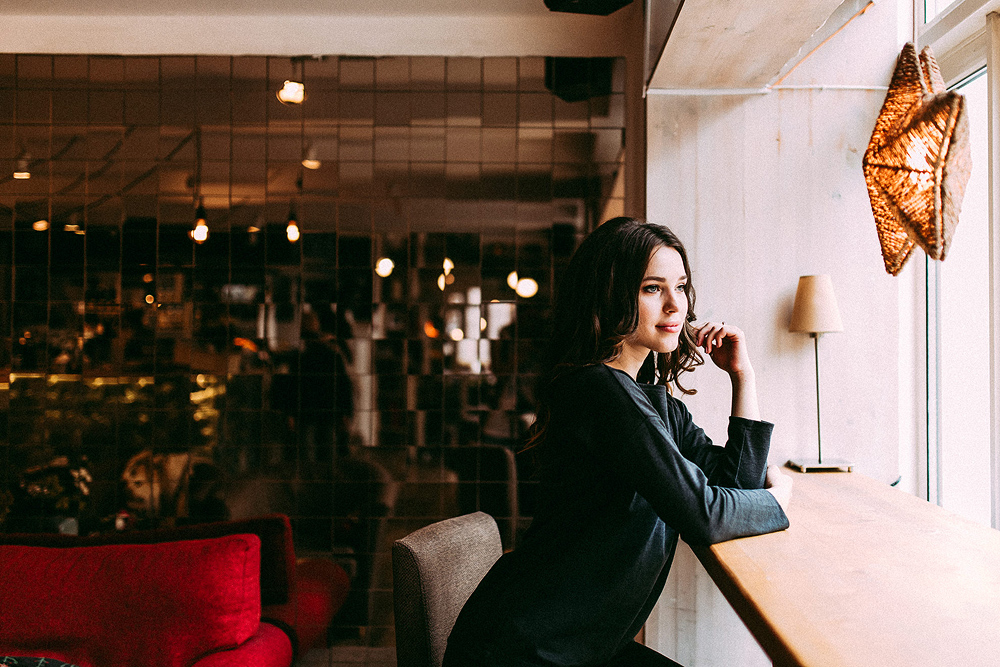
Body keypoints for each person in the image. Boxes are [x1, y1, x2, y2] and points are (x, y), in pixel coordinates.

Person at [443, 217, 793, 667]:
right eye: (652, 288)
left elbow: (734, 487)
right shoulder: (600, 392)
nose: (675, 306)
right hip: (524, 651)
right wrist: (782, 501)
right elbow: (705, 513)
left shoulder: (650, 401)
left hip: (575, 646)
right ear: (609, 296)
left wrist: (742, 377)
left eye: (680, 287)